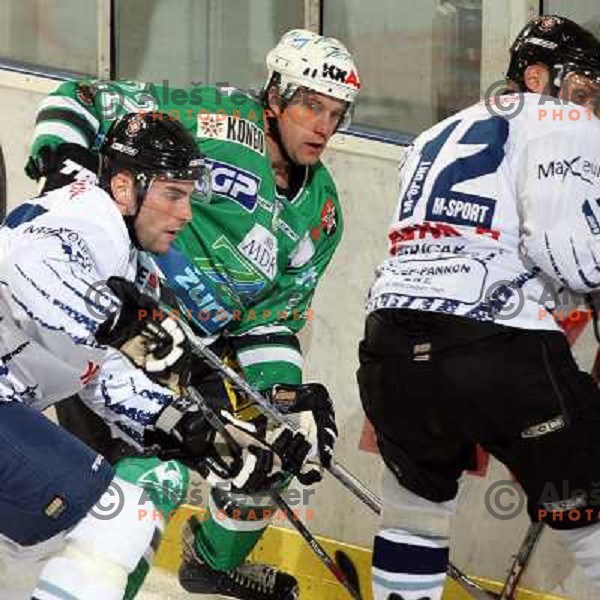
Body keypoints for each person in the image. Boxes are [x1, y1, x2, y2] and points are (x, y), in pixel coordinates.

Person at [25, 29, 359, 599]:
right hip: (114, 325)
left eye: (336, 113)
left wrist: (278, 398)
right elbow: (79, 96)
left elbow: (273, 316)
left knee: (264, 451)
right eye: (310, 104)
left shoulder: (322, 210)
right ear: (275, 95)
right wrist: (67, 172)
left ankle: (212, 560)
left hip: (191, 356)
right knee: (145, 488)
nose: (323, 126)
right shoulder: (217, 117)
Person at [1, 112, 303, 600]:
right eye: (172, 194)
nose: (184, 213)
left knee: (37, 558)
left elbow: (106, 375)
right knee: (118, 516)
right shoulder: (94, 218)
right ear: (124, 188)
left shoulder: (118, 253)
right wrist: (126, 327)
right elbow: (24, 263)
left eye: (188, 196)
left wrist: (210, 441)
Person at [357, 15, 600, 600]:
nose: (591, 106)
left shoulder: (429, 136)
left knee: (413, 516)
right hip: (495, 351)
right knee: (589, 511)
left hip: (389, 348)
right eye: (585, 91)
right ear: (538, 77)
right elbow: (570, 256)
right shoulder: (561, 119)